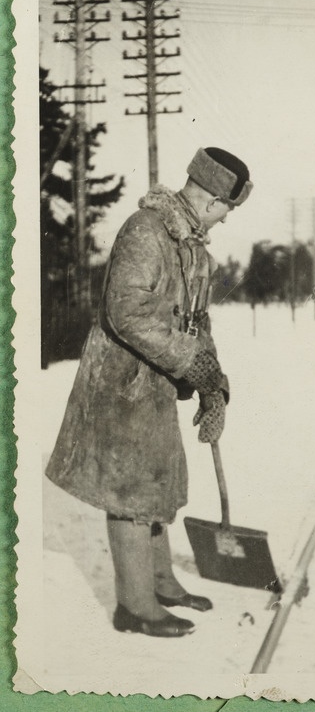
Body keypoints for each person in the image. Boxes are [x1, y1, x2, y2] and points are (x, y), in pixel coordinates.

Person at [46, 146, 253, 638]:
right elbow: (126, 313)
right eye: (227, 208)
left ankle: (162, 583)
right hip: (121, 383)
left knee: (158, 481)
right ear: (211, 200)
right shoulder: (146, 231)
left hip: (155, 382)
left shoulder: (193, 248)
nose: (225, 219)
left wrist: (213, 383)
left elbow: (197, 323)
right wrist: (189, 361)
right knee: (130, 492)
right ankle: (135, 606)